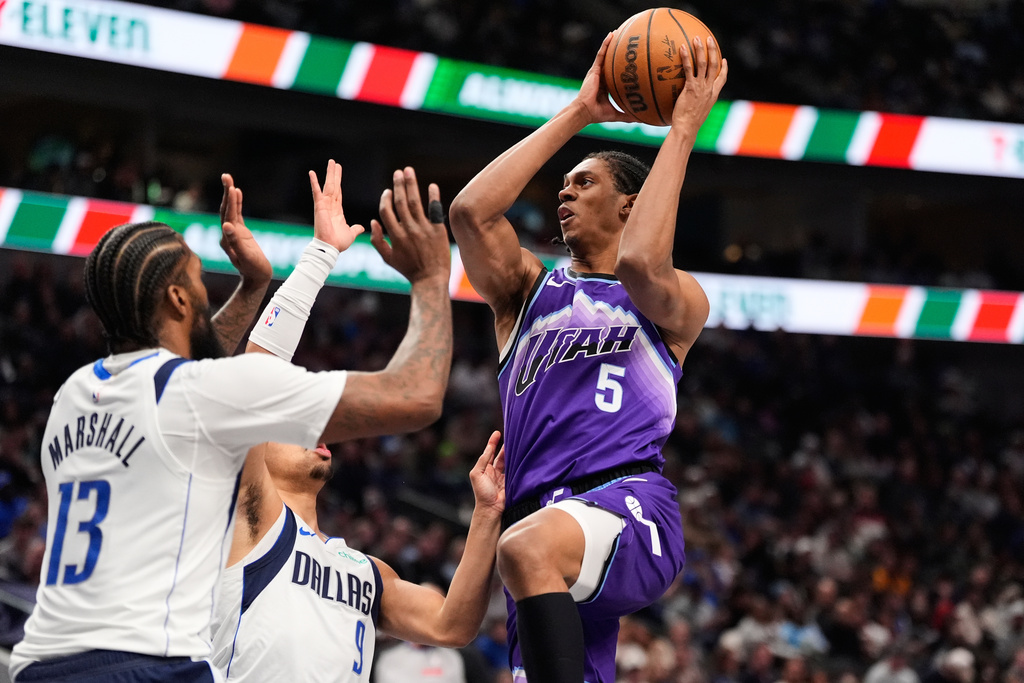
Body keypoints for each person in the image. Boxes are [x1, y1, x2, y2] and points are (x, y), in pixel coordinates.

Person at [9, 162, 454, 682]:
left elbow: (210, 373)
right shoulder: (191, 396)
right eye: (199, 282)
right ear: (177, 299)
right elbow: (416, 396)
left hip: (43, 661)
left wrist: (258, 285)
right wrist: (430, 278)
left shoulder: (76, 395)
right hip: (143, 662)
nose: (205, 293)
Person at [448, 30, 727, 683]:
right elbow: (469, 212)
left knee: (528, 548)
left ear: (629, 202)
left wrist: (682, 126)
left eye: (584, 181)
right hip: (540, 531)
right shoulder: (528, 291)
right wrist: (579, 113)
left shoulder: (674, 301)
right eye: (564, 184)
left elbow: (639, 260)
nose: (562, 193)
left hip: (629, 504)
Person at [209, 162, 504, 681]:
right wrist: (320, 255)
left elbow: (451, 626)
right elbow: (257, 376)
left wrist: (486, 514)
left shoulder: (365, 572)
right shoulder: (246, 519)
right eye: (295, 426)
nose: (318, 433)